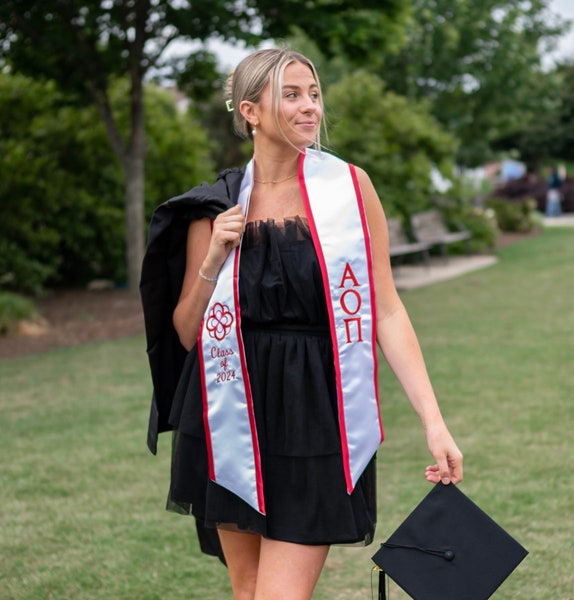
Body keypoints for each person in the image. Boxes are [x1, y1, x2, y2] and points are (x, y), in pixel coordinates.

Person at [140, 47, 463, 600]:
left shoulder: (350, 191)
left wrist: (433, 421)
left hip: (315, 416)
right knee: (248, 592)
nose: (310, 107)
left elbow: (385, 308)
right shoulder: (216, 207)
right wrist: (214, 260)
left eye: (313, 94)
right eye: (291, 95)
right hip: (229, 412)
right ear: (251, 111)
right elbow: (189, 333)